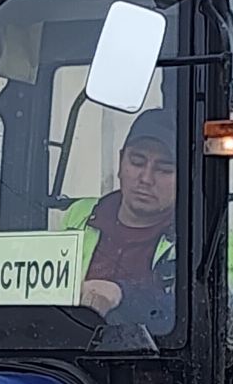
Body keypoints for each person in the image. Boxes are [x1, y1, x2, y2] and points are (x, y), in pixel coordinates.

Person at [60, 111, 179, 327]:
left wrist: (120, 294)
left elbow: (199, 314)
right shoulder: (78, 216)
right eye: (137, 162)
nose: (146, 178)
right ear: (120, 162)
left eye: (164, 169)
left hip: (156, 357)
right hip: (66, 351)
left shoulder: (205, 239)